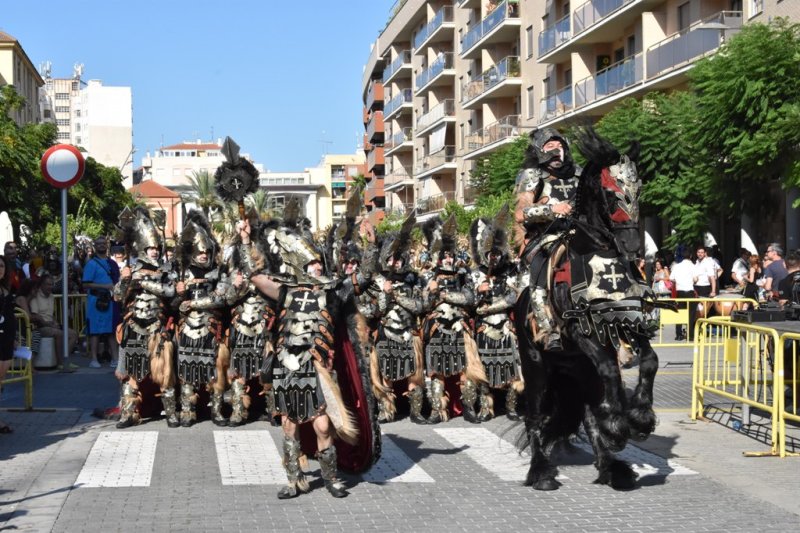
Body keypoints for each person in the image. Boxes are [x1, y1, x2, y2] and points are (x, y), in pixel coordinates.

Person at [514, 127, 580, 351]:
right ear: (540, 151)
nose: (555, 150)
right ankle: (548, 327)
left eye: (559, 146)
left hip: (581, 232)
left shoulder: (579, 173)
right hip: (548, 237)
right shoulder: (533, 176)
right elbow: (520, 213)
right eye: (549, 146)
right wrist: (552, 210)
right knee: (540, 271)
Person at [114, 208, 176, 428]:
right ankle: (129, 412)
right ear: (142, 248)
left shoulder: (167, 270)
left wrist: (143, 282)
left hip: (158, 327)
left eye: (157, 248)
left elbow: (171, 292)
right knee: (131, 373)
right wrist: (125, 281)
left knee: (165, 371)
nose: (154, 251)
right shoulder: (131, 270)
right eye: (150, 248)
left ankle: (171, 412)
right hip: (134, 326)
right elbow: (117, 296)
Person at [421, 214, 482, 424]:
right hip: (437, 328)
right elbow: (423, 305)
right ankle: (438, 410)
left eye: (449, 255)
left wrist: (444, 295)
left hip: (460, 326)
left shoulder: (463, 274)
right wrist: (430, 294)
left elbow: (470, 298)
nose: (447, 259)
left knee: (465, 368)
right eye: (443, 256)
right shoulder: (428, 276)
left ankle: (468, 407)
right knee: (437, 371)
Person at [174, 211, 231, 427]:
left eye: (207, 251)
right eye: (200, 251)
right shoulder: (181, 272)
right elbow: (172, 304)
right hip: (187, 327)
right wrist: (179, 294)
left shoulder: (219, 272)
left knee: (215, 369)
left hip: (211, 326)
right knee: (186, 368)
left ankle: (216, 410)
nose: (204, 254)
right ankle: (188, 410)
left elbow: (221, 299)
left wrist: (192, 304)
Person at [469, 209, 522, 421]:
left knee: (511, 366)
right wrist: (478, 292)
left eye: (497, 251)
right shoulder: (475, 274)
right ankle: (485, 407)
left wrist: (488, 307)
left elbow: (513, 298)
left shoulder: (510, 272)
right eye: (490, 252)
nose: (494, 256)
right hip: (484, 328)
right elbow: (470, 303)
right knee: (484, 367)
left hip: (505, 327)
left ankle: (511, 407)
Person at [28, 272, 78, 370]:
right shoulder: (35, 296)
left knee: (74, 334)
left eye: (52, 284)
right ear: (41, 284)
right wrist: (48, 324)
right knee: (59, 333)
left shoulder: (52, 296)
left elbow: (51, 314)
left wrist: (55, 322)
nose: (50, 287)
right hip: (40, 326)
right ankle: (60, 363)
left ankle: (64, 360)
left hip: (51, 324)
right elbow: (35, 316)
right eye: (48, 284)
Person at [83, 236, 119, 368]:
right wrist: (105, 287)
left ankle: (115, 358)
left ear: (107, 245)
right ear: (95, 246)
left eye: (103, 243)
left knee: (111, 330)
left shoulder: (113, 263)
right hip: (96, 301)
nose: (101, 245)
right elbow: (85, 285)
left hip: (111, 301)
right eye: (98, 244)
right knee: (95, 331)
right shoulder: (91, 264)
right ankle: (94, 358)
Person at [0, 255, 17, 433]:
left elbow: (10, 313)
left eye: (2, 266)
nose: (0, 269)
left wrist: (15, 337)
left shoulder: (6, 288)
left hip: (7, 335)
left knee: (1, 380)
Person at [669, 250, 695, 341]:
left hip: (680, 292)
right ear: (690, 256)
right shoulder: (693, 266)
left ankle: (679, 334)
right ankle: (691, 335)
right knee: (691, 314)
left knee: (679, 312)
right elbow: (695, 279)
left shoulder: (677, 266)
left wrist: (679, 282)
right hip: (690, 291)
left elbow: (671, 278)